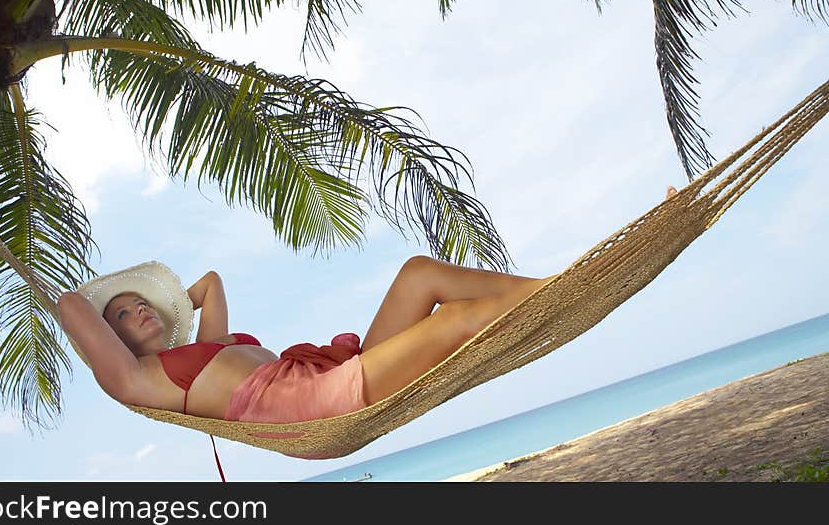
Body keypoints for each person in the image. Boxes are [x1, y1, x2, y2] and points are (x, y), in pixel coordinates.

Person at [58, 186, 679, 453]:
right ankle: (564, 294)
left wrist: (166, 307)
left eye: (141, 303)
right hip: (315, 407)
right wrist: (93, 307)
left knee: (418, 274)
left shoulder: (202, 351)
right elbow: (72, 311)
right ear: (107, 338)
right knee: (449, 323)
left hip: (336, 375)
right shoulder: (138, 381)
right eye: (122, 313)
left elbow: (210, 283)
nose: (136, 308)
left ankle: (563, 288)